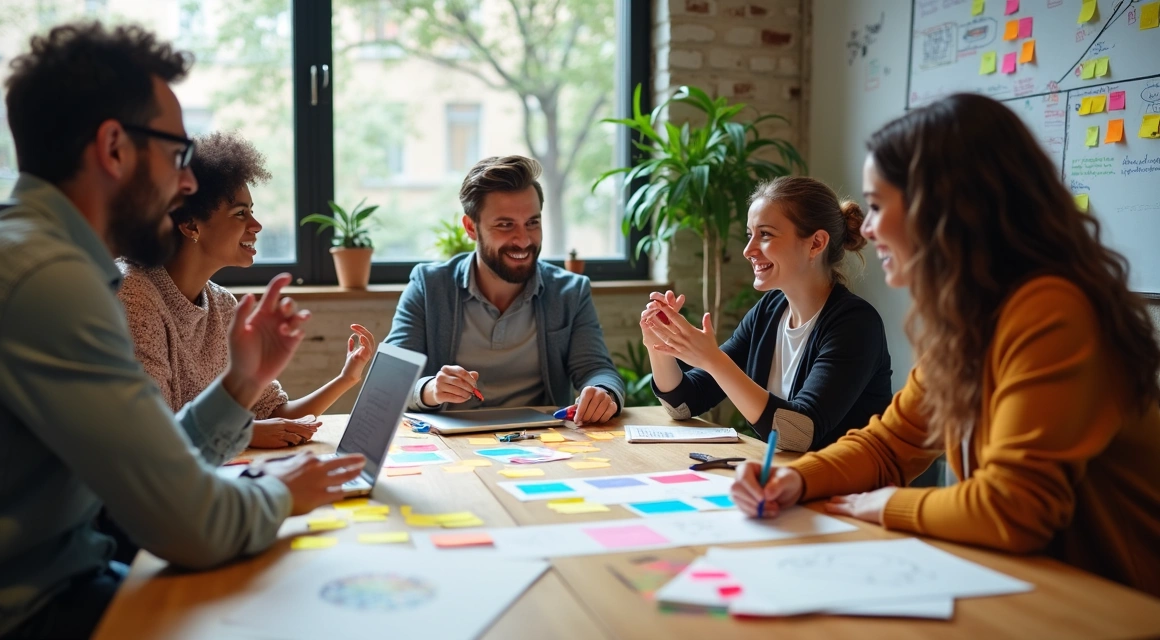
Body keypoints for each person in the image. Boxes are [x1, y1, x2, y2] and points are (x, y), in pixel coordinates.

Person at [0, 23, 365, 640]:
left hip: (69, 575)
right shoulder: (46, 280)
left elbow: (148, 469)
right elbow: (186, 524)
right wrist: (286, 493)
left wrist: (240, 384)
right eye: (175, 153)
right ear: (113, 148)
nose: (186, 183)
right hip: (25, 615)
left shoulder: (26, 247)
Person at [731, 93, 1160, 597]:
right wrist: (800, 481)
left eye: (876, 206)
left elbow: (1012, 509)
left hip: (1115, 601)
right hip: (1037, 587)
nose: (865, 228)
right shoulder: (970, 320)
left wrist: (881, 506)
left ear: (941, 207)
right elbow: (889, 445)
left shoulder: (1051, 311)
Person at [118, 131, 376, 449]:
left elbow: (274, 413)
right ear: (191, 225)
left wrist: (345, 379)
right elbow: (149, 432)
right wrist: (246, 432)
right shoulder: (134, 297)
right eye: (240, 213)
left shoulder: (223, 305)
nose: (256, 225)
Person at [641, 176, 892, 451]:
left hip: (851, 491)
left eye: (766, 234)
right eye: (750, 235)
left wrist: (713, 360)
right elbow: (685, 404)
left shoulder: (855, 324)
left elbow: (798, 434)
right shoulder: (768, 312)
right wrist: (660, 345)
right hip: (786, 481)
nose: (748, 251)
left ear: (816, 243)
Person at [386, 155, 625, 425]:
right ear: (471, 228)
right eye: (505, 225)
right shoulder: (429, 287)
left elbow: (597, 369)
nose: (523, 240)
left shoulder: (570, 292)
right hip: (448, 447)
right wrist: (430, 390)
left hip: (542, 444)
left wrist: (603, 393)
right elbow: (389, 381)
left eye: (532, 223)